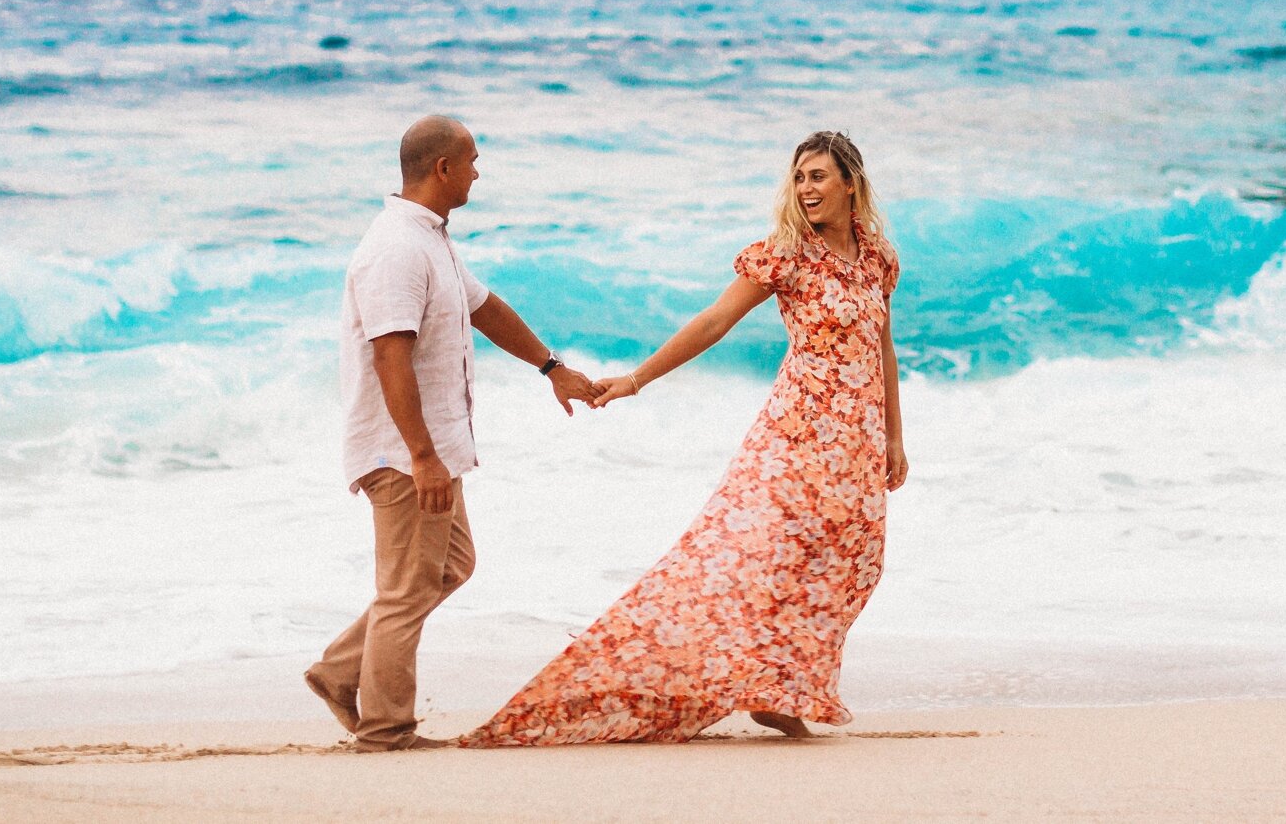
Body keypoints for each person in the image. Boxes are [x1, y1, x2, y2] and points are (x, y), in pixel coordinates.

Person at [456, 130, 907, 747]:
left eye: (819, 176)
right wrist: (638, 379)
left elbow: (882, 347)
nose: (806, 188)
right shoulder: (786, 257)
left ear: (850, 183)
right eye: (799, 177)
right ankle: (768, 692)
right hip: (797, 435)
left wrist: (893, 438)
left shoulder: (878, 258)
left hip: (856, 441)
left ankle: (786, 684)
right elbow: (714, 321)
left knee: (852, 562)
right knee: (753, 558)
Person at [306, 115, 598, 751]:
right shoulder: (395, 249)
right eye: (471, 160)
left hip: (428, 448)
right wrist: (421, 458)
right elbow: (390, 355)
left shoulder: (429, 239)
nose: (477, 172)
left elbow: (485, 308)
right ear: (441, 169)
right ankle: (385, 729)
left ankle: (338, 671)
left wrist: (553, 368)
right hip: (404, 451)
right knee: (407, 588)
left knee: (450, 564)